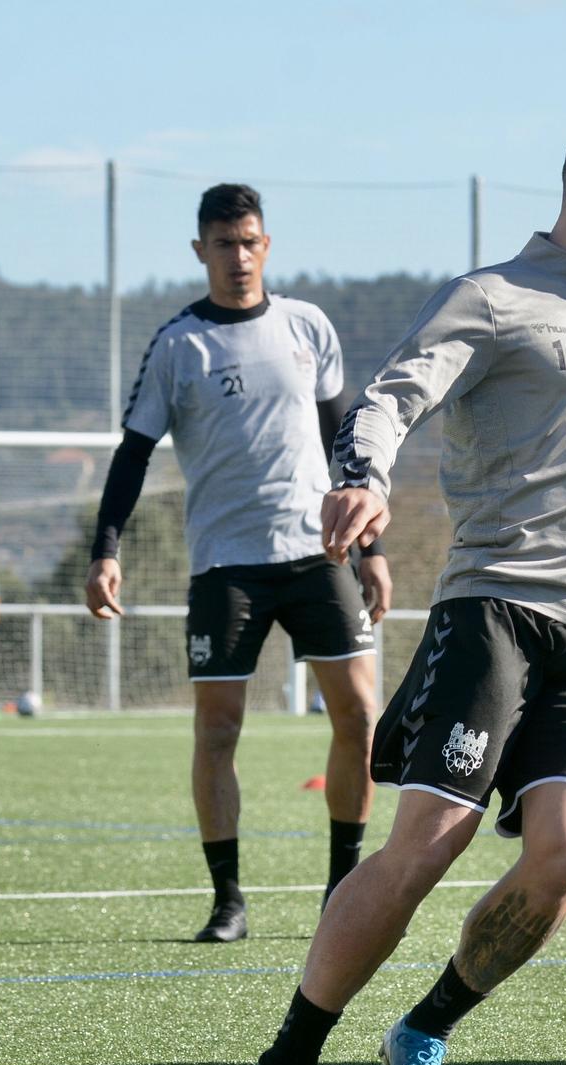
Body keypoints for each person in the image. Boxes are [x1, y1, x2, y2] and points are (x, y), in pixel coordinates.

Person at [235, 106, 566, 1065]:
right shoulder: (491, 299)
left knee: (564, 861)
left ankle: (427, 1027)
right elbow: (391, 399)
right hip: (496, 609)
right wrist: (360, 478)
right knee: (424, 848)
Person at [85, 183, 391, 943]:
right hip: (227, 567)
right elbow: (132, 453)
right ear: (201, 251)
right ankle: (228, 899)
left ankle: (341, 890)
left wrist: (372, 548)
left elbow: (342, 443)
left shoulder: (307, 327)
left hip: (318, 553)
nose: (239, 256)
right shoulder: (178, 344)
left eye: (250, 241)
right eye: (224, 244)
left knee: (359, 715)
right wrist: (105, 550)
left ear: (267, 245)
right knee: (217, 732)